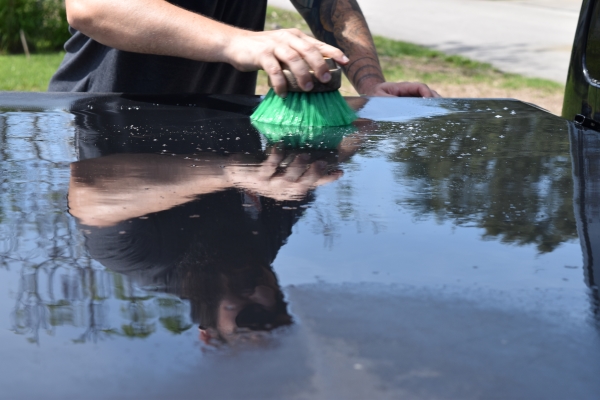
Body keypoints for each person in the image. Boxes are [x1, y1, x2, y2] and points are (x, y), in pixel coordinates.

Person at [49, 0, 440, 98]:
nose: (264, 298)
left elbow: (325, 3)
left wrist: (371, 85)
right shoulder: (131, 256)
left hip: (220, 129)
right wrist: (237, 42)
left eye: (271, 309)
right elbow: (91, 7)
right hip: (99, 125)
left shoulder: (254, 256)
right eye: (268, 307)